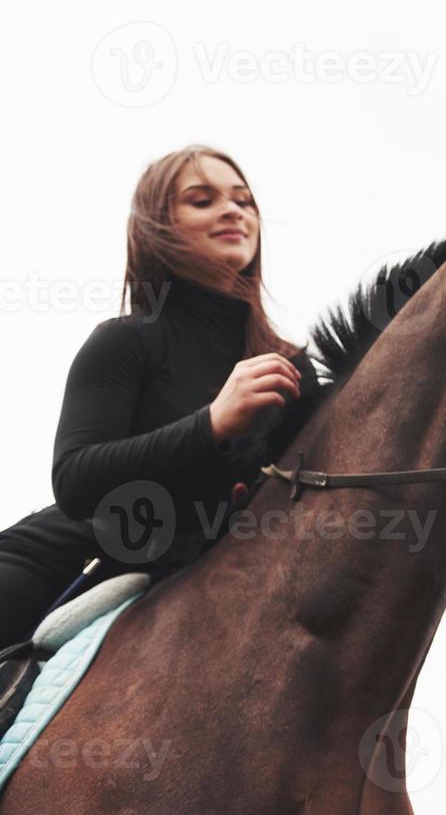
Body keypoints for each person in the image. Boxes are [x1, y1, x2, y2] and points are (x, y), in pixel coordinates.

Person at [0, 146, 322, 651]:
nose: (234, 210)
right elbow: (75, 478)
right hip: (57, 566)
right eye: (202, 200)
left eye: (244, 201)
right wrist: (212, 423)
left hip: (204, 578)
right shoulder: (125, 340)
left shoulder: (292, 368)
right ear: (158, 226)